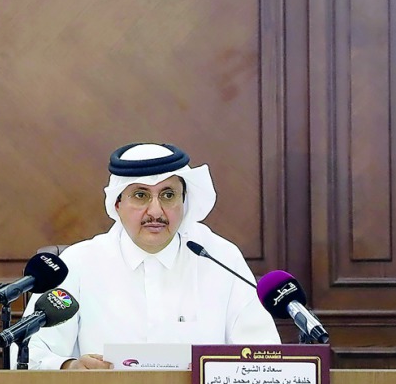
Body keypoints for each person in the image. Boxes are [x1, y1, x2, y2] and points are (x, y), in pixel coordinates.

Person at [27, 143, 279, 370]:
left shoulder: (221, 259)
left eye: (168, 195)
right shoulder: (79, 262)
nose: (155, 211)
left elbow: (263, 352)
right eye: (141, 195)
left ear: (184, 202)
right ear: (117, 204)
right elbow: (31, 351)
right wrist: (69, 367)